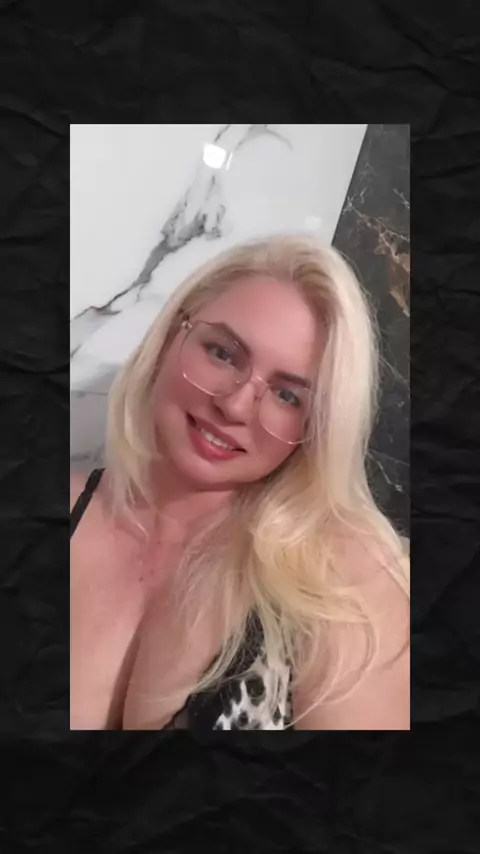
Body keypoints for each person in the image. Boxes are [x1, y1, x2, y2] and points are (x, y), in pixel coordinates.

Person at [70, 234, 410, 731]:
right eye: (223, 353)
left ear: (317, 429)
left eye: (288, 396)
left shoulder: (342, 580)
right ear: (171, 336)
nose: (233, 406)